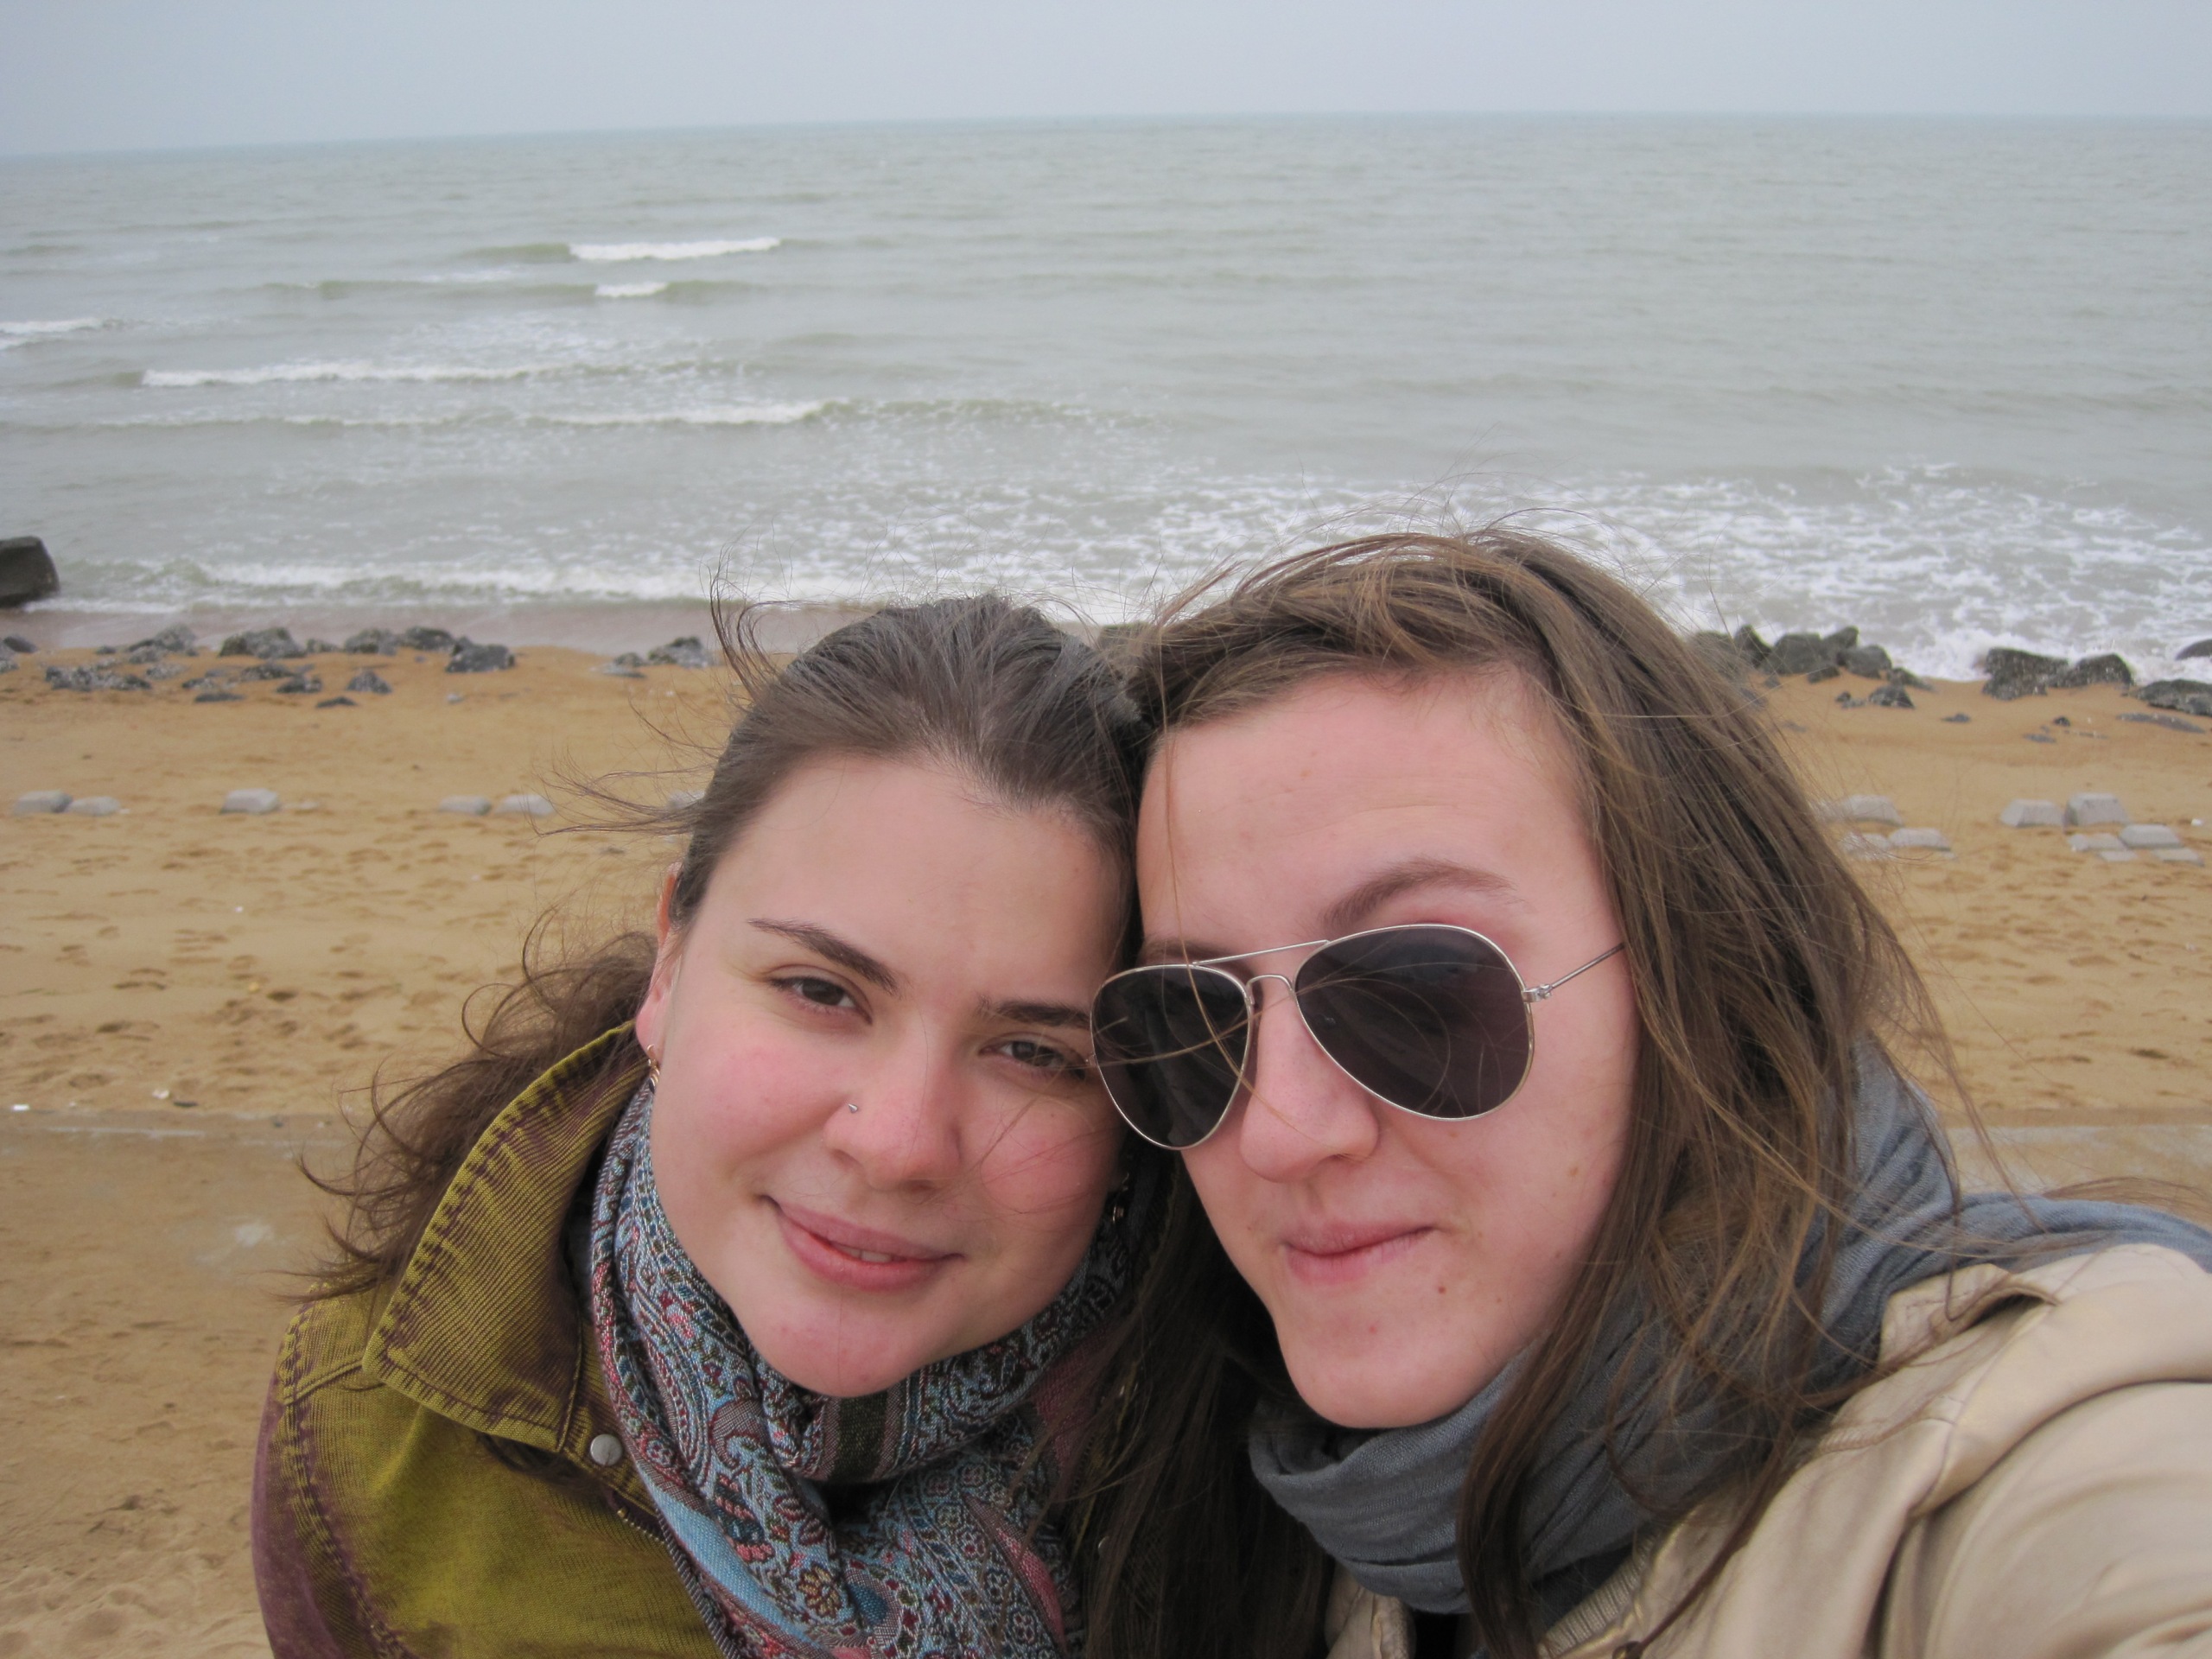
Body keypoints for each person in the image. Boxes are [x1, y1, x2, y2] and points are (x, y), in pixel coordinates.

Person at [1086, 531, 2212, 1659]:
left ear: (1706, 981)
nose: (1282, 1133)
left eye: (1416, 989)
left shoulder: (2018, 1456)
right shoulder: (1237, 1498)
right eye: (1191, 1019)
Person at [252, 596, 1162, 1659]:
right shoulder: (374, 1429)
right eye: (820, 990)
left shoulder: (1245, 1436)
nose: (897, 1144)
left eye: (1035, 1054)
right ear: (671, 963)